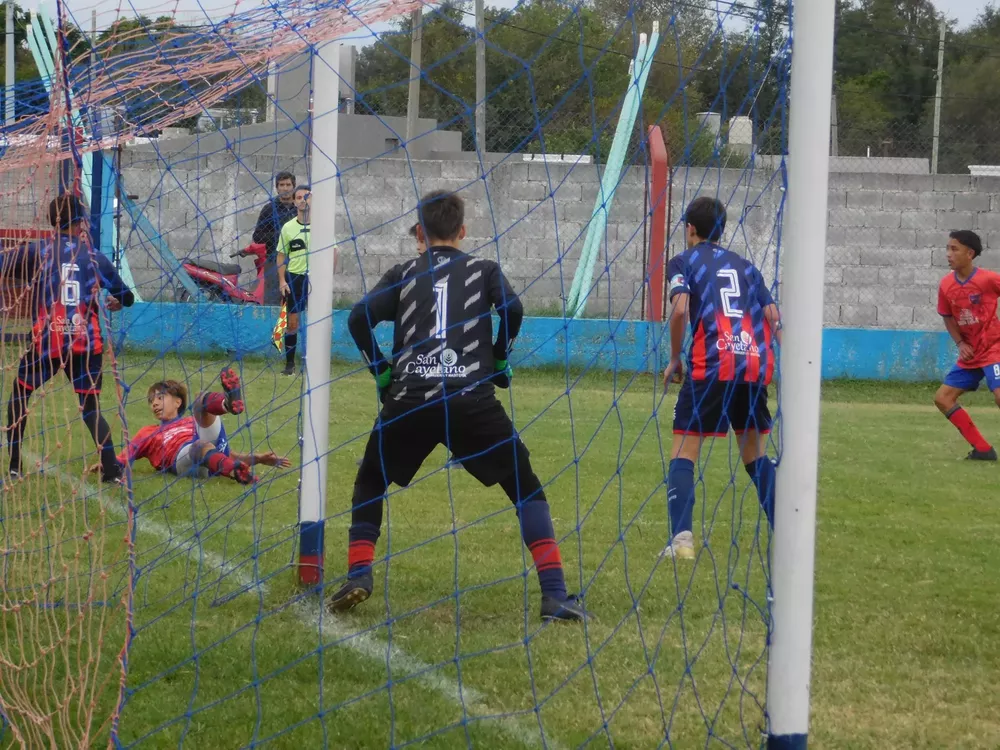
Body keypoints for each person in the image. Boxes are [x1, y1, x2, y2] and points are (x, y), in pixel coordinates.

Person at [327, 190, 585, 622]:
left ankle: (359, 575)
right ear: (462, 231)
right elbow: (514, 308)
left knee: (371, 479)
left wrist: (382, 371)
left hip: (409, 398)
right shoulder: (484, 270)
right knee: (525, 488)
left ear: (419, 234)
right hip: (470, 398)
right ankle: (555, 595)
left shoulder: (403, 272)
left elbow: (357, 318)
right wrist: (500, 357)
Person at [659, 196, 781, 559]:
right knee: (754, 454)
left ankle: (681, 542)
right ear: (722, 229)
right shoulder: (745, 266)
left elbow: (680, 308)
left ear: (690, 229)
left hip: (712, 362)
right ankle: (786, 533)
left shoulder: (682, 261)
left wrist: (675, 357)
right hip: (751, 365)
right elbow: (774, 316)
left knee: (684, 449)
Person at [5, 193, 134, 483]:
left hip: (48, 341)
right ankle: (111, 469)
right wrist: (115, 301)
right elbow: (127, 296)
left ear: (53, 221)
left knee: (20, 394)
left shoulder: (37, 251)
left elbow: (5, 266)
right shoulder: (95, 257)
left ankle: (14, 467)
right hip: (86, 343)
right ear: (80, 222)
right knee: (90, 408)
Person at [108, 367, 290, 483]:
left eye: (160, 398)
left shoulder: (191, 421)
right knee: (199, 446)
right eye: (151, 401)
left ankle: (228, 404)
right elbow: (124, 458)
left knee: (199, 403)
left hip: (208, 454)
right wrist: (106, 464)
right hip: (182, 463)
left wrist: (257, 459)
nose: (154, 403)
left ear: (178, 402)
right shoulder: (148, 432)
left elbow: (227, 454)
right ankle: (236, 473)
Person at [932, 230, 1000, 460]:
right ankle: (983, 450)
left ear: (969, 254)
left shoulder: (988, 279)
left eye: (954, 249)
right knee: (943, 398)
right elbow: (947, 317)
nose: (948, 254)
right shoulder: (946, 285)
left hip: (994, 348)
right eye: (948, 249)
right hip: (970, 354)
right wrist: (960, 343)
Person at [276, 185, 311, 376]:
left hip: (316, 280)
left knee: (317, 323)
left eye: (306, 196)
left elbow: (334, 251)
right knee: (293, 323)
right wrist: (282, 281)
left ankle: (313, 364)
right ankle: (290, 365)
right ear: (295, 201)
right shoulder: (288, 228)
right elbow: (281, 256)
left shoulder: (322, 226)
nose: (303, 200)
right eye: (299, 197)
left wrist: (327, 275)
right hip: (295, 279)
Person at [252, 171, 298, 306]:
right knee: (273, 302)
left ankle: (293, 327)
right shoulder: (269, 209)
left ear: (293, 186)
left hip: (298, 262)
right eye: (281, 185)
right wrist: (280, 236)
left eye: (288, 185)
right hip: (274, 261)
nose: (285, 188)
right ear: (277, 188)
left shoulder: (299, 208)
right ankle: (273, 327)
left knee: (295, 302)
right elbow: (257, 236)